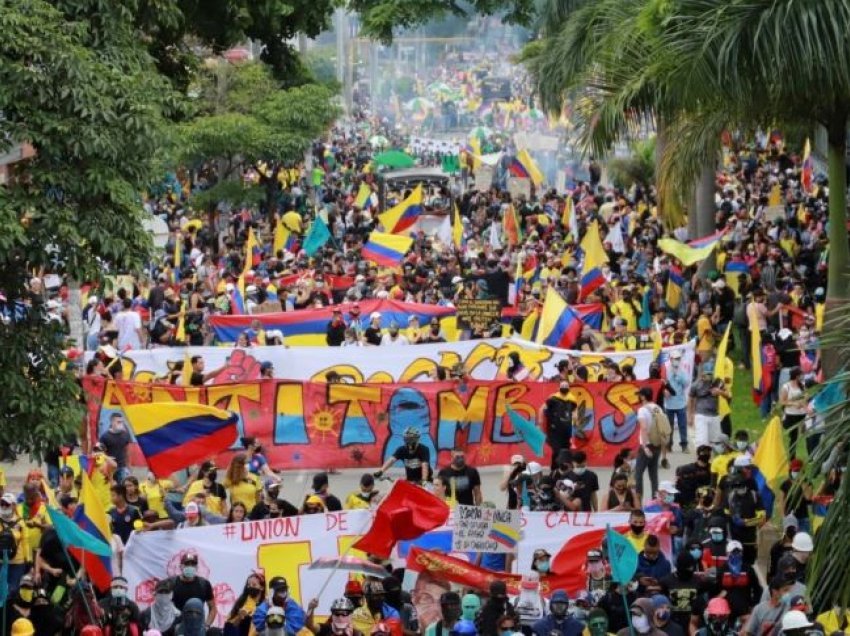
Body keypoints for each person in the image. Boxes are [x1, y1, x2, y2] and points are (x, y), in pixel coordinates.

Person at [659, 552, 705, 635]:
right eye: (689, 567)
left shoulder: (698, 581)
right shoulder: (666, 581)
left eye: (692, 566)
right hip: (673, 623)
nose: (691, 569)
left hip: (693, 623)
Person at [171, 552, 216, 628]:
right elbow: (164, 604)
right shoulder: (172, 583)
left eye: (193, 564)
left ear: (196, 567)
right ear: (181, 566)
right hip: (175, 627)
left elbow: (212, 608)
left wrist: (207, 625)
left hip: (197, 627)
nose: (190, 566)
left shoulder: (204, 584)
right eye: (187, 564)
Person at [689, 362, 728, 448]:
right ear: (703, 373)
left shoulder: (718, 382)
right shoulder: (696, 384)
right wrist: (690, 415)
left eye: (710, 374)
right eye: (707, 374)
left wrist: (720, 392)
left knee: (716, 443)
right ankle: (701, 460)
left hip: (715, 415)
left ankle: (714, 460)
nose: (709, 376)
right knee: (702, 443)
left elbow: (728, 396)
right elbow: (691, 399)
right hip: (701, 415)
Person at [541, 381, 576, 471]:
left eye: (566, 386)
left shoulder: (572, 401)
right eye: (562, 386)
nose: (564, 387)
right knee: (557, 451)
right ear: (559, 388)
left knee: (565, 451)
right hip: (554, 431)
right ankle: (554, 470)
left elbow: (573, 414)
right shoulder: (552, 399)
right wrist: (542, 423)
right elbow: (543, 410)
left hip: (566, 431)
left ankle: (566, 470)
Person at [635, 386, 662, 500]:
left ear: (643, 396)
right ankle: (655, 499)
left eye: (640, 395)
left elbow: (644, 427)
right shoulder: (657, 408)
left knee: (638, 473)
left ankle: (638, 498)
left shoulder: (642, 410)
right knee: (653, 474)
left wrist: (645, 446)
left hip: (647, 444)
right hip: (657, 443)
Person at [779, 367, 808, 457]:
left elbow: (806, 397)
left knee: (807, 435)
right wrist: (794, 404)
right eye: (800, 375)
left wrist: (805, 400)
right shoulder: (786, 387)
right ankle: (792, 457)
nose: (802, 376)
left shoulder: (802, 385)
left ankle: (810, 455)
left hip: (802, 414)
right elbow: (782, 401)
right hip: (792, 415)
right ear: (796, 376)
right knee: (794, 438)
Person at [664, 350, 690, 451]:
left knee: (682, 425)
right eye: (675, 359)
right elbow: (662, 383)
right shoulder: (665, 371)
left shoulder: (682, 370)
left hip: (681, 403)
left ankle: (684, 445)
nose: (677, 361)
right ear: (671, 359)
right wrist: (664, 391)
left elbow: (686, 383)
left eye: (678, 358)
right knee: (669, 426)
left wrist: (677, 375)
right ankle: (669, 445)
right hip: (669, 404)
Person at [779, 459, 812, 533]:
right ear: (791, 471)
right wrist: (783, 517)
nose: (796, 473)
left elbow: (808, 497)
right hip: (790, 518)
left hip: (803, 518)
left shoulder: (807, 483)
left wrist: (802, 482)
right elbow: (781, 502)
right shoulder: (785, 484)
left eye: (798, 471)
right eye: (795, 471)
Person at [99, 413, 132, 482]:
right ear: (112, 422)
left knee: (123, 488)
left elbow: (128, 452)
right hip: (110, 469)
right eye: (118, 422)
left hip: (122, 467)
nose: (121, 424)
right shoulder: (104, 437)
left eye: (122, 422)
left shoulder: (126, 434)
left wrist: (129, 468)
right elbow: (97, 453)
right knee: (111, 489)